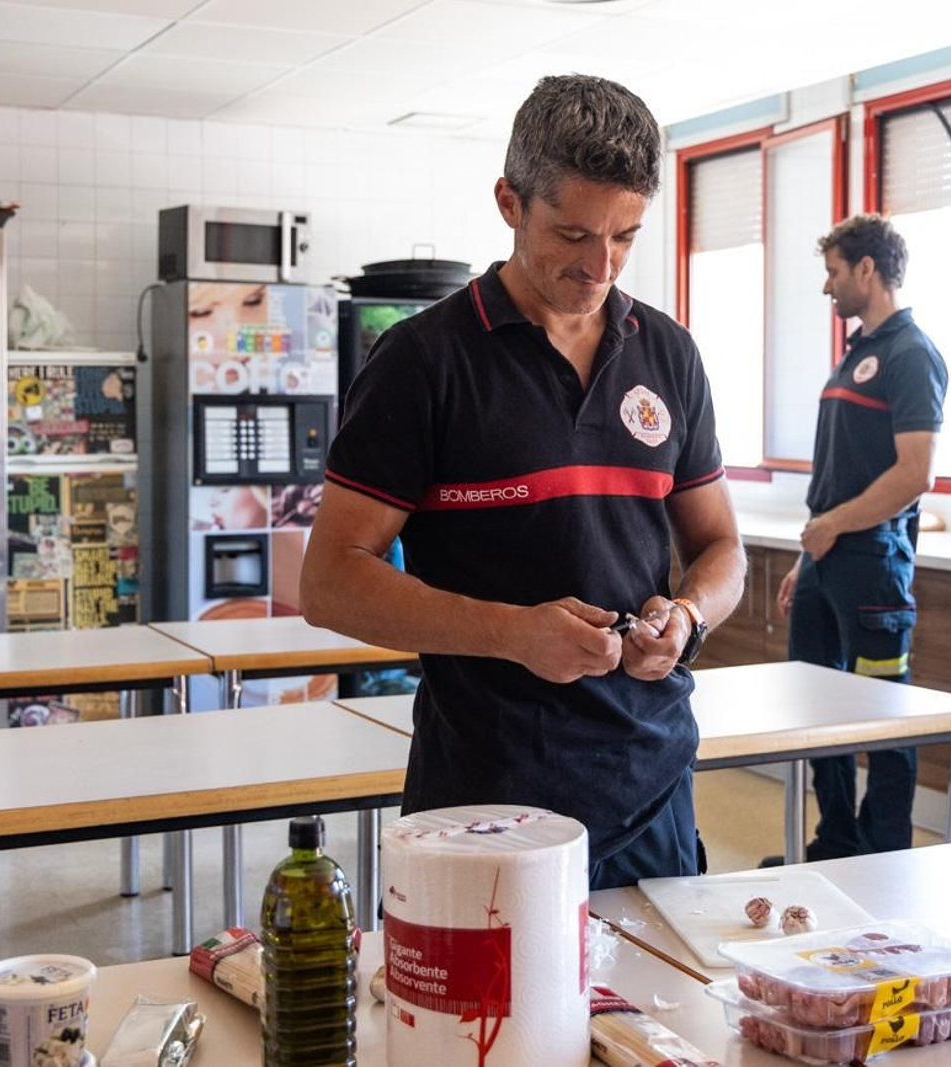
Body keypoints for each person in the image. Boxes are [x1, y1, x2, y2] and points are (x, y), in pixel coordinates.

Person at [300, 74, 744, 890]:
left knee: (653, 1018)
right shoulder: (424, 361)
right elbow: (329, 582)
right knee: (483, 1021)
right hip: (485, 794)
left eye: (624, 237)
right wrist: (512, 632)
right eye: (573, 233)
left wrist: (686, 615)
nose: (599, 265)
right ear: (510, 201)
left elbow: (721, 547)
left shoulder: (668, 355)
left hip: (651, 785)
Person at [773, 214, 947, 860]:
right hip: (825, 560)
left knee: (883, 716)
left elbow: (914, 474)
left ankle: (883, 851)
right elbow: (839, 470)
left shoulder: (912, 355)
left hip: (874, 568)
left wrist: (833, 528)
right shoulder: (856, 353)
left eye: (834, 272)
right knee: (818, 711)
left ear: (867, 270)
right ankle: (836, 840)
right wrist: (807, 555)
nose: (828, 287)